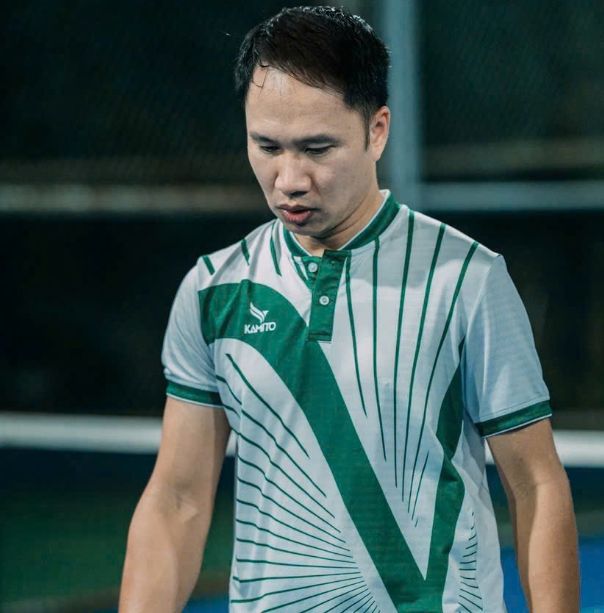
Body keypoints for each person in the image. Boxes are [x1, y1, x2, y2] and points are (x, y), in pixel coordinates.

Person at [119, 6, 579, 612]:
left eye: (317, 148)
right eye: (267, 146)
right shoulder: (213, 290)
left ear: (377, 130)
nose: (289, 178)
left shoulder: (466, 279)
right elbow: (178, 500)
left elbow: (536, 484)